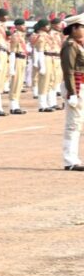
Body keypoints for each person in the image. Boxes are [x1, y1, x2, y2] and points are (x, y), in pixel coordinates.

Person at [59, 13, 84, 171]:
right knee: (73, 124)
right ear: (74, 28)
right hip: (75, 86)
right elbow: (68, 71)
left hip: (80, 85)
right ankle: (70, 161)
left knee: (78, 123)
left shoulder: (78, 44)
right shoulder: (70, 45)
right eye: (82, 27)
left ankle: (73, 158)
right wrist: (72, 93)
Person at [8, 18, 28, 114]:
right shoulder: (15, 36)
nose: (25, 27)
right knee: (15, 83)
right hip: (17, 59)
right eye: (23, 25)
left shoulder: (21, 36)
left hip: (22, 59)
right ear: (18, 26)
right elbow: (12, 52)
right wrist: (12, 67)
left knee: (20, 83)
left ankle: (16, 104)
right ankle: (13, 106)